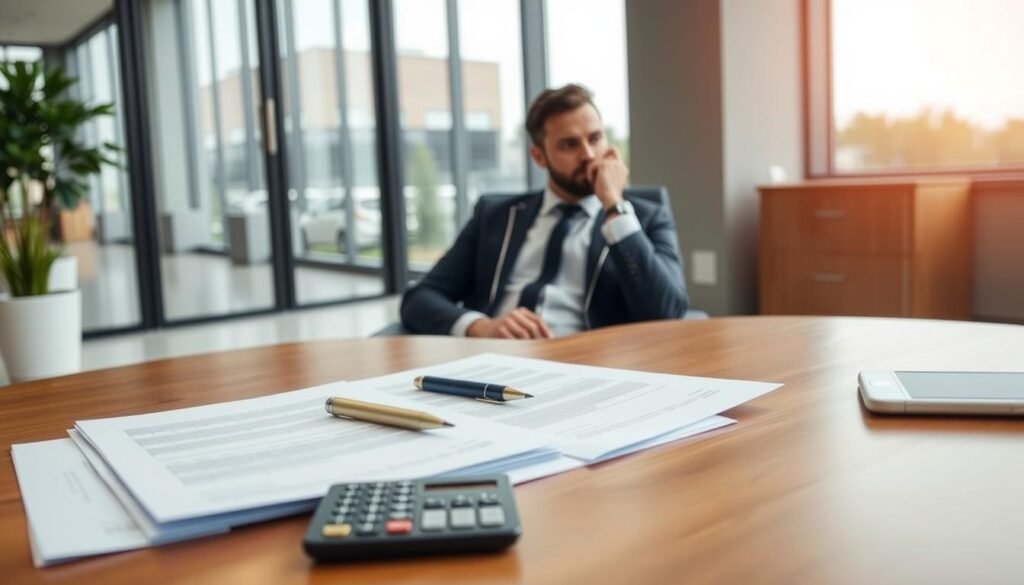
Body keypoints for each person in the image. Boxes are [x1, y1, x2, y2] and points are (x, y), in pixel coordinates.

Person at [400, 83, 687, 338]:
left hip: (590, 367)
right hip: (495, 360)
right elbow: (420, 297)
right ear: (539, 156)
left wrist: (614, 205)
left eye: (595, 138)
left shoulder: (645, 219)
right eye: (569, 144)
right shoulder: (494, 214)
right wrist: (481, 326)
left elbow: (667, 311)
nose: (588, 154)